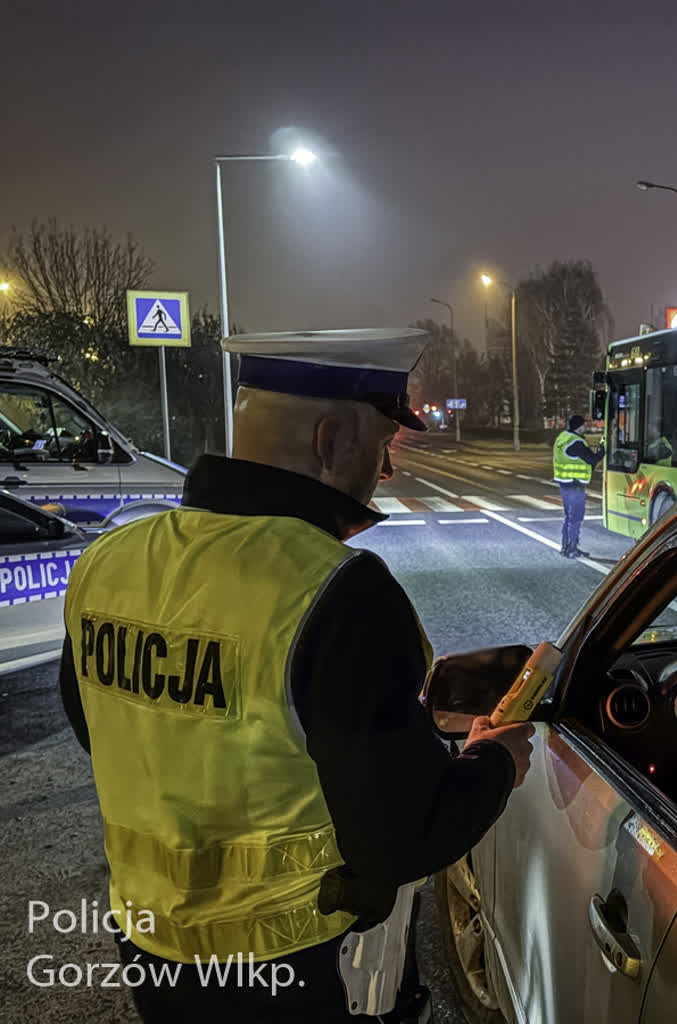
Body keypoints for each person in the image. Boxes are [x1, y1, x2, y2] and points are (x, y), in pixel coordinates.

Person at [58, 329, 534, 1023]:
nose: (387, 470)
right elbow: (400, 838)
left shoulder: (109, 561)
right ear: (330, 440)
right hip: (298, 962)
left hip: (149, 942)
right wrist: (494, 762)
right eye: (384, 444)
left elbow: (100, 729)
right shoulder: (338, 590)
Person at [553, 413, 603, 558]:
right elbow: (592, 459)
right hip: (574, 485)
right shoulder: (576, 442)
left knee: (569, 516)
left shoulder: (563, 437)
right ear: (579, 427)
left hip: (564, 483)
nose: (585, 427)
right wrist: (603, 449)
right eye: (584, 425)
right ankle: (571, 548)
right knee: (575, 517)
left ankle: (566, 547)